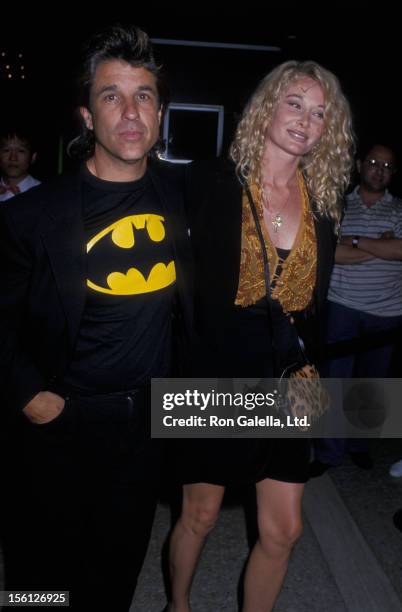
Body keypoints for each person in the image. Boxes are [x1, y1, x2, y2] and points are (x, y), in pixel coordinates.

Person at [0, 24, 191, 611]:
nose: (130, 112)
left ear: (160, 111)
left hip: (143, 423)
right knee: (40, 576)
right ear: (87, 115)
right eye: (112, 96)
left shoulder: (184, 198)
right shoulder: (33, 214)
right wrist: (27, 390)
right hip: (60, 420)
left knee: (115, 570)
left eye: (144, 96)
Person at [166, 60, 354, 612]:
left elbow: (313, 306)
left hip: (293, 379)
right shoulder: (208, 182)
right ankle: (177, 605)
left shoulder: (325, 203)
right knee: (198, 515)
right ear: (267, 104)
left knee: (284, 530)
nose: (305, 119)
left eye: (320, 113)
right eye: (295, 102)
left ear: (329, 130)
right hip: (217, 369)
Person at [310, 144, 402, 477]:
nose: (380, 169)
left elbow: (400, 251)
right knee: (334, 383)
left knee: (373, 385)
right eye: (375, 162)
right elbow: (329, 253)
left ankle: (359, 446)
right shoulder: (337, 205)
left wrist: (353, 241)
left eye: (388, 166)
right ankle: (328, 452)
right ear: (361, 165)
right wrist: (380, 245)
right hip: (342, 306)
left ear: (394, 173)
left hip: (388, 312)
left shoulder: (399, 210)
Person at [0, 127, 40, 201]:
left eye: (21, 151)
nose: (13, 158)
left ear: (33, 157)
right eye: (6, 150)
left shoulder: (42, 193)